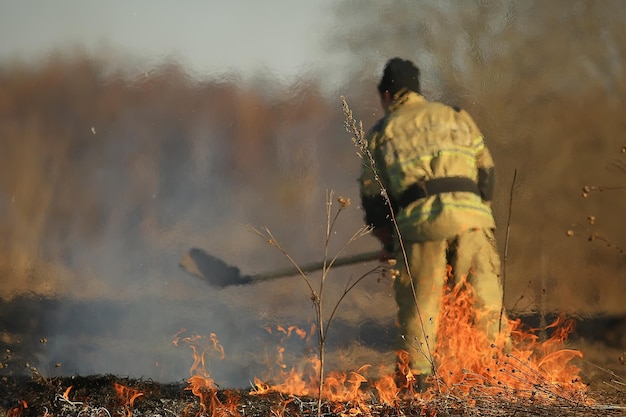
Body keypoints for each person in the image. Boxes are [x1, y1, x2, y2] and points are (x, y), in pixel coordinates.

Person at [358, 58, 507, 391]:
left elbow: (373, 201)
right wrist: (476, 214)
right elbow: (487, 174)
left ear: (386, 95)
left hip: (421, 223)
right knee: (486, 305)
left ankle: (419, 386)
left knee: (420, 307)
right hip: (474, 221)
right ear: (417, 89)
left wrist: (389, 242)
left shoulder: (382, 132)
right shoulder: (456, 116)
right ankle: (504, 382)